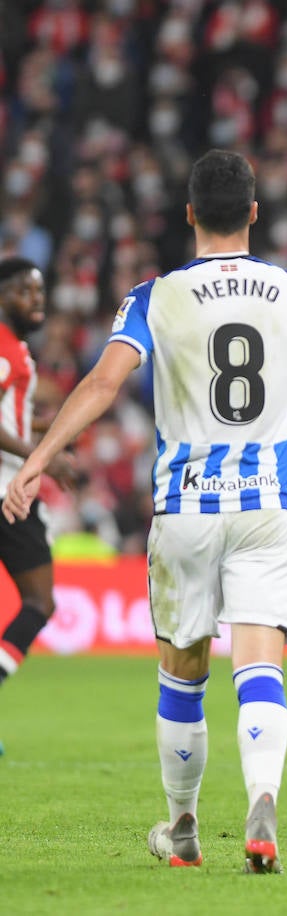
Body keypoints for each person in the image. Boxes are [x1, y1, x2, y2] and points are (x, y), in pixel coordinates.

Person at [2, 150, 287, 873]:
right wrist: (285, 436)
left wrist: (35, 461)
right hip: (268, 509)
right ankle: (263, 802)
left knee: (182, 672)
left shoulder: (156, 295)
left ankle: (183, 826)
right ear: (255, 213)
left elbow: (102, 382)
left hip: (186, 508)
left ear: (189, 214)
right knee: (260, 670)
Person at [0, 258, 79, 697]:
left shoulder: (14, 348)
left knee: (38, 603)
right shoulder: (5, 347)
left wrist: (52, 429)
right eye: (25, 291)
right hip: (6, 495)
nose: (36, 301)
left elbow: (7, 418)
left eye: (40, 292)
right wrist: (44, 457)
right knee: (39, 602)